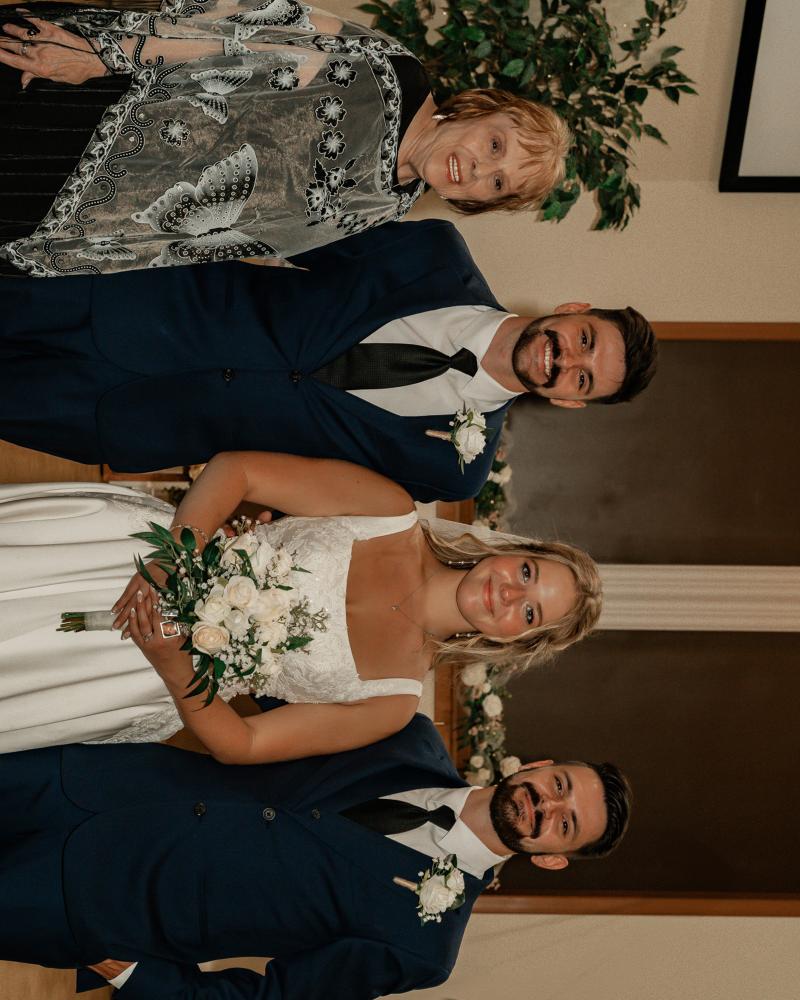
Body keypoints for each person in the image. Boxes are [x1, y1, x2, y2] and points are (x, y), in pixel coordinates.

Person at [0, 218, 659, 501]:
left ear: (569, 401)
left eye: (582, 379)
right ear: (574, 309)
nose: (565, 359)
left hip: (134, 422)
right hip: (131, 301)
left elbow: (317, 497)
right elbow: (282, 226)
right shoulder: (436, 253)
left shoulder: (456, 470)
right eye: (585, 339)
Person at [0, 450, 600, 754]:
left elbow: (244, 745)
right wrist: (169, 562)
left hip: (126, 677)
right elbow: (237, 471)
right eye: (527, 572)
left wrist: (173, 665)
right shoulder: (388, 511)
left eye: (529, 612)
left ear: (513, 641)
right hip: (125, 559)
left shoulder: (392, 705)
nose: (509, 593)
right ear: (512, 551)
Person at [0, 712, 632, 997]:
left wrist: (135, 975)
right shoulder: (406, 734)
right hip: (94, 783)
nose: (546, 805)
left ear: (553, 858)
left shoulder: (424, 950)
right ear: (542, 765)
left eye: (565, 824)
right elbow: (269, 687)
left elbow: (274, 998)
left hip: (98, 907)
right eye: (559, 785)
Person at [0, 2, 570, 276]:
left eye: (498, 184)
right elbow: (239, 30)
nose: (479, 170)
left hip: (70, 215)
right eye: (495, 146)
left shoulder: (392, 205)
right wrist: (102, 56)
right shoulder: (390, 73)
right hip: (86, 109)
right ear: (482, 111)